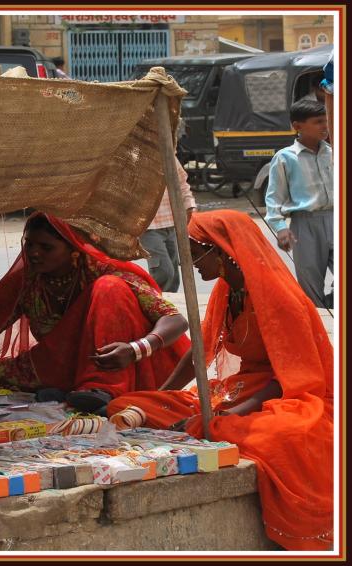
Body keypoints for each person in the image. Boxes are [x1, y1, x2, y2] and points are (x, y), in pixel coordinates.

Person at [107, 210, 334, 550]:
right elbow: (199, 350)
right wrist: (161, 394)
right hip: (237, 390)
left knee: (281, 437)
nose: (192, 265)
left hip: (287, 394)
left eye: (196, 254)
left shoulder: (279, 297)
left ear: (222, 251)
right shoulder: (228, 291)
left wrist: (238, 412)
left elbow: (290, 376)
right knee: (129, 403)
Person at [0, 212, 190, 413]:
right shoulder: (26, 280)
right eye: (29, 244)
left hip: (136, 365)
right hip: (63, 365)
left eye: (46, 247)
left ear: (74, 249)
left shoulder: (107, 272)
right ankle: (74, 389)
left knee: (109, 288)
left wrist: (135, 349)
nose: (34, 253)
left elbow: (175, 321)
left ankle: (103, 388)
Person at [264, 99, 333, 308]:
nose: (325, 126)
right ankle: (323, 329)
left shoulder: (333, 152)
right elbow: (274, 198)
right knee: (310, 284)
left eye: (327, 120)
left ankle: (331, 302)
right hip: (305, 225)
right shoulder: (285, 158)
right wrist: (280, 228)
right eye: (318, 121)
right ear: (297, 126)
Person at [140, 159, 196, 292]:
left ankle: (167, 305)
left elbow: (182, 183)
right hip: (149, 227)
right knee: (164, 271)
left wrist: (189, 205)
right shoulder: (136, 156)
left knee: (174, 275)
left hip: (171, 222)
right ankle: (154, 301)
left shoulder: (169, 154)